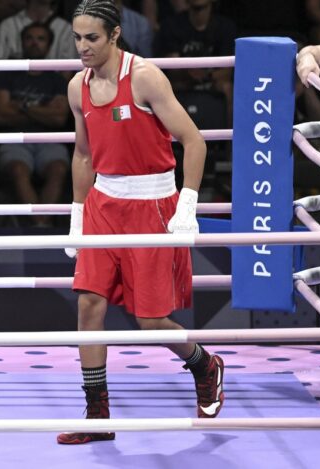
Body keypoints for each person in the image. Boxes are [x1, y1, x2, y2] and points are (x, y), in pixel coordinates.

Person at [59, 0, 223, 445]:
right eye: (77, 38)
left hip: (152, 205)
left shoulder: (145, 77)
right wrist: (77, 213)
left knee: (150, 320)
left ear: (114, 35)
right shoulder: (77, 87)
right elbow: (83, 155)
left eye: (92, 38)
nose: (82, 47)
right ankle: (97, 417)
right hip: (102, 204)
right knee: (89, 305)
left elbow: (193, 141)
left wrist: (187, 205)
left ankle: (204, 365)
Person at [0, 21, 70, 226]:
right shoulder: (7, 75)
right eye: (29, 38)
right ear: (22, 42)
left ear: (49, 45)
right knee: (19, 170)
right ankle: (41, 225)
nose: (34, 43)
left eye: (40, 39)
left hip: (49, 139)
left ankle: (40, 224)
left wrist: (22, 107)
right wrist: (43, 110)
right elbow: (0, 115)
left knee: (58, 170)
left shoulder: (58, 80)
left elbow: (58, 119)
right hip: (14, 139)